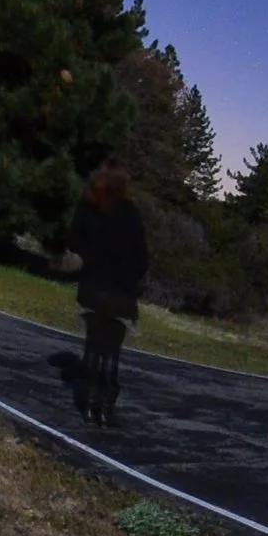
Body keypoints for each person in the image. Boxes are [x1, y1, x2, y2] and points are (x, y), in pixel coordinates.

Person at [68, 157, 148, 425]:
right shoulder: (131, 212)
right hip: (121, 294)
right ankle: (105, 406)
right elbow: (142, 258)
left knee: (93, 347)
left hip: (93, 288)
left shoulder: (88, 206)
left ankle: (88, 404)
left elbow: (74, 240)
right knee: (112, 353)